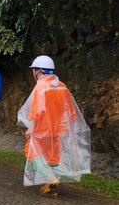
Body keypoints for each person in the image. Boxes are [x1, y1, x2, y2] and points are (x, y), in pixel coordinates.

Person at [17, 55, 91, 196]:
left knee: (33, 153)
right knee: (52, 157)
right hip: (59, 130)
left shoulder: (41, 87)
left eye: (34, 70)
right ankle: (50, 185)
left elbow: (37, 111)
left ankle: (51, 179)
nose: (33, 73)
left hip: (42, 129)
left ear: (38, 71)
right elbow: (70, 111)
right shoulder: (62, 86)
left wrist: (30, 128)